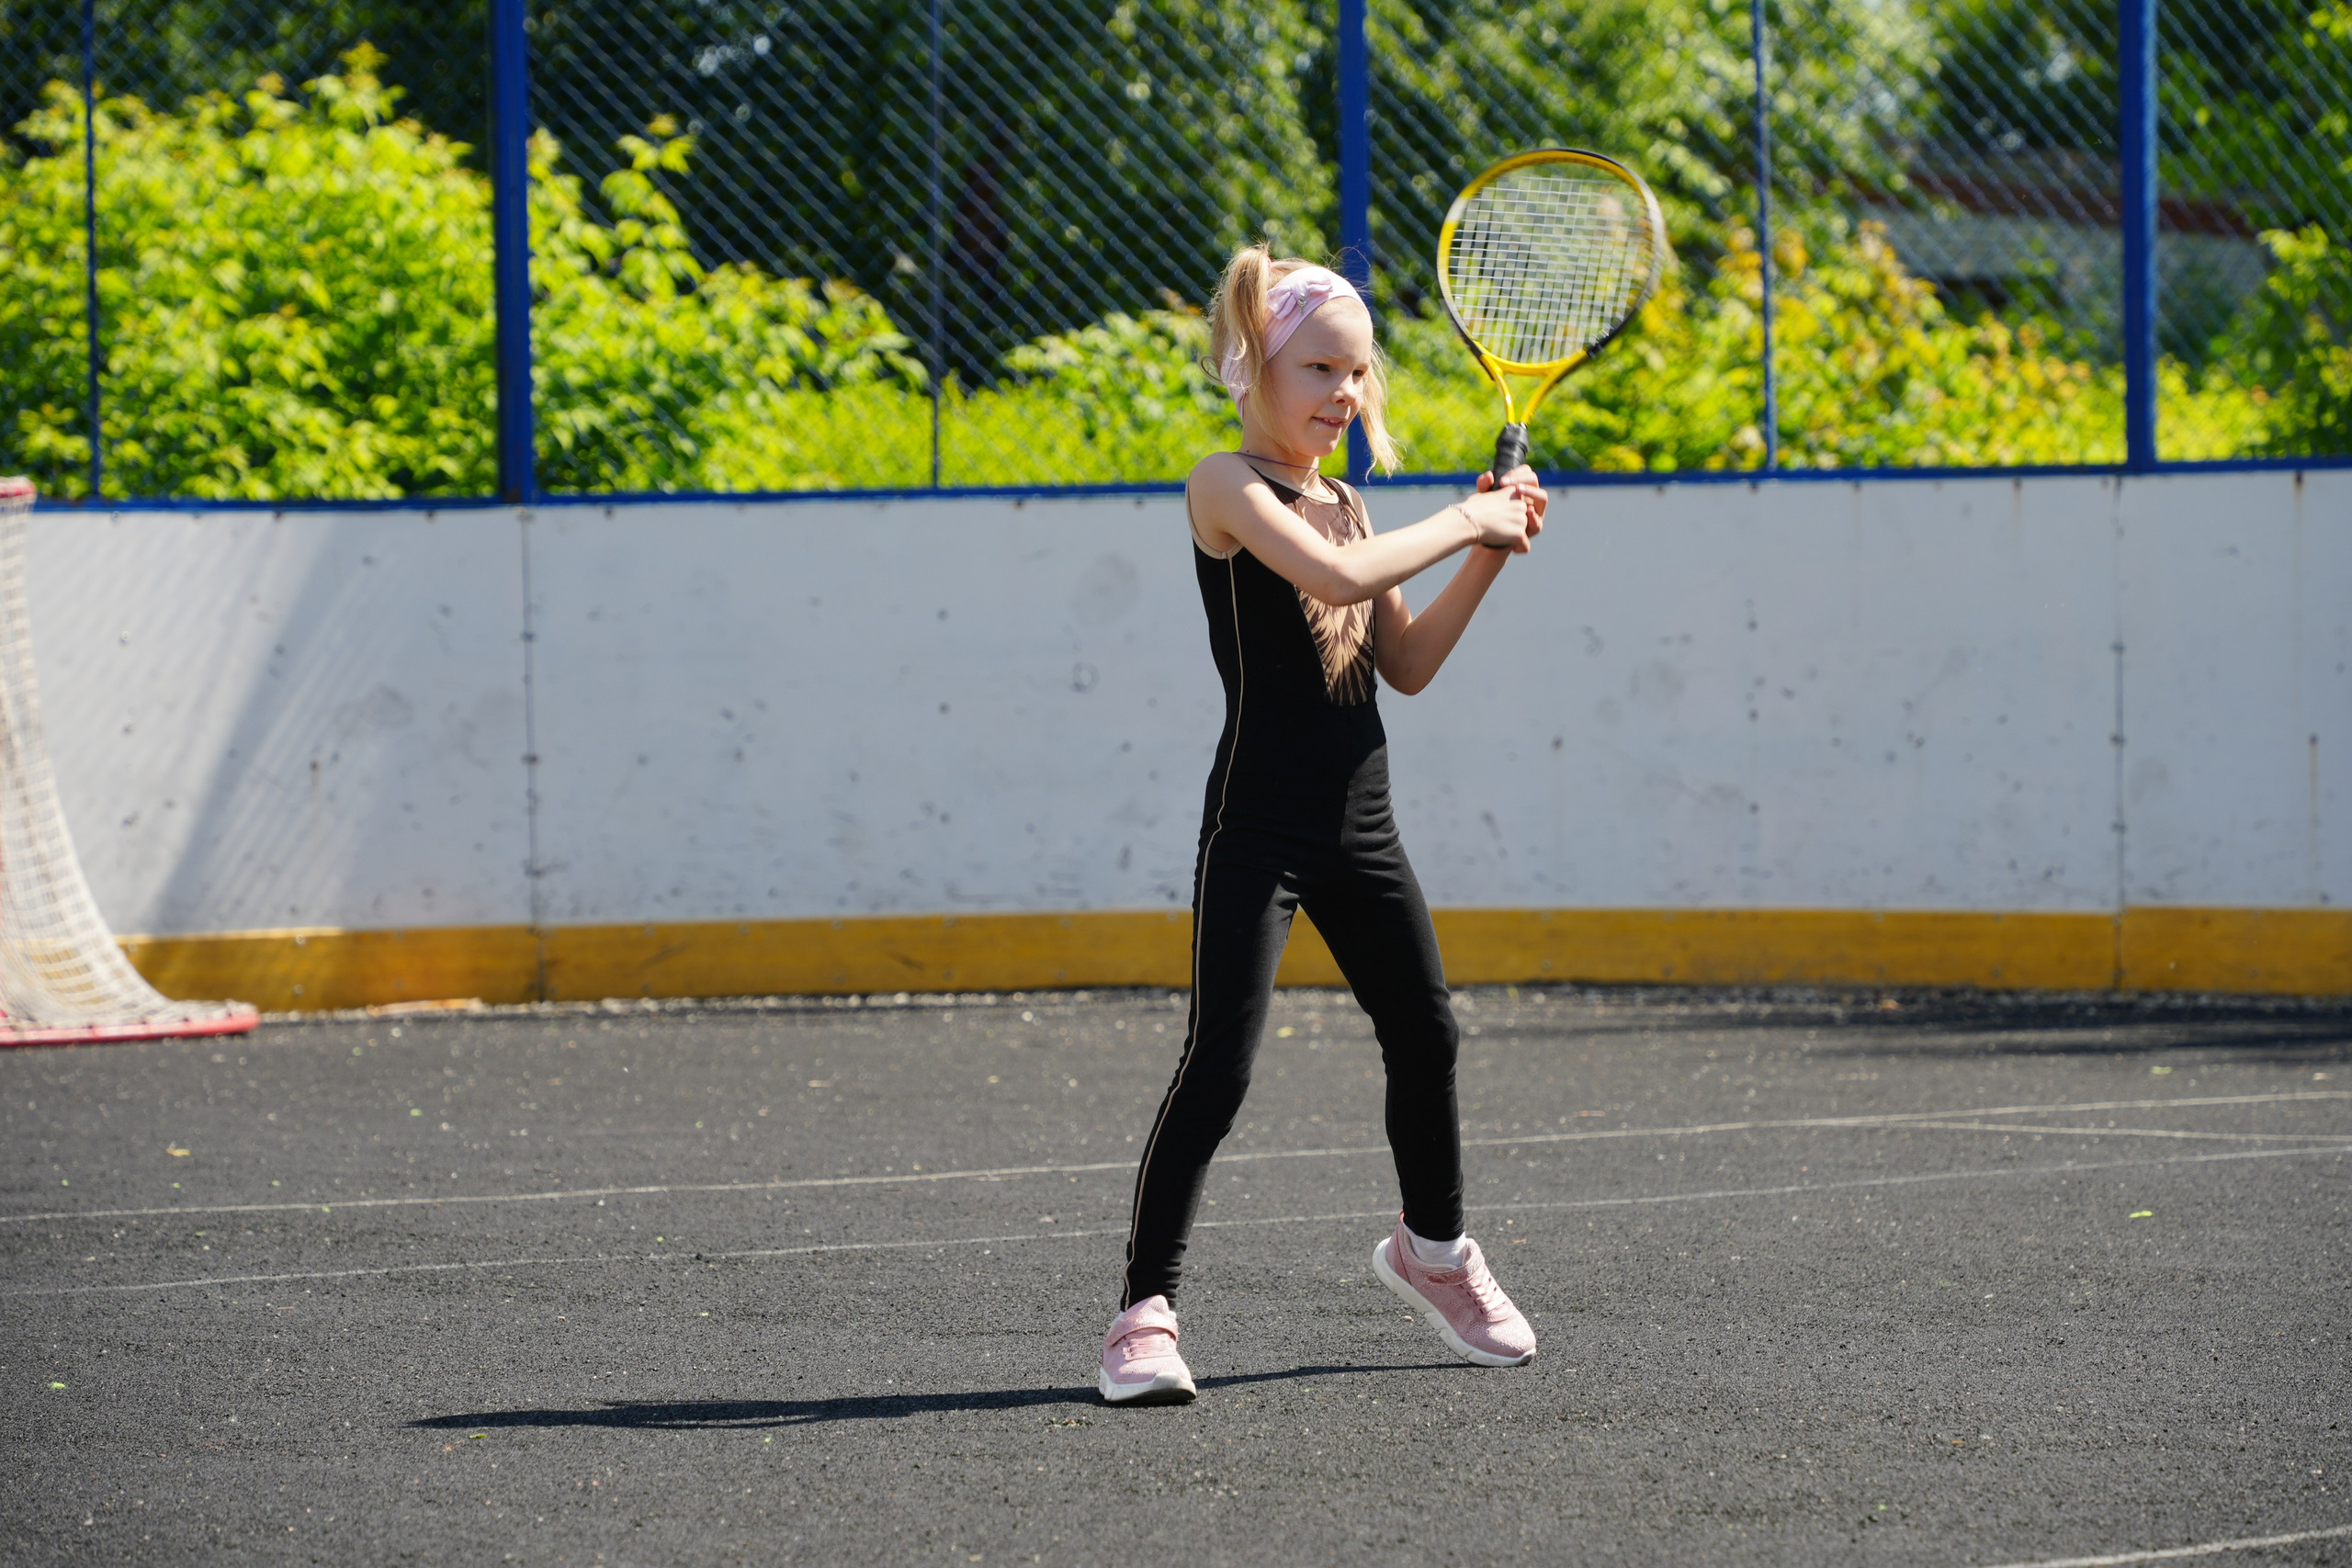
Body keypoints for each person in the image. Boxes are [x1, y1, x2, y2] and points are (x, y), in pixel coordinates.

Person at [1099, 245, 1547, 1405]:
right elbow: (1336, 584)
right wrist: (1466, 514)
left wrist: (1489, 553)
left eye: (1357, 372)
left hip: (1363, 823)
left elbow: (1401, 662)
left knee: (1428, 1035)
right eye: (1319, 367)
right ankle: (1143, 1316)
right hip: (1256, 823)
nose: (1343, 393)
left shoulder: (1349, 502)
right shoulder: (1225, 485)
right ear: (1251, 363)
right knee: (1221, 1066)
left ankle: (1436, 1255)